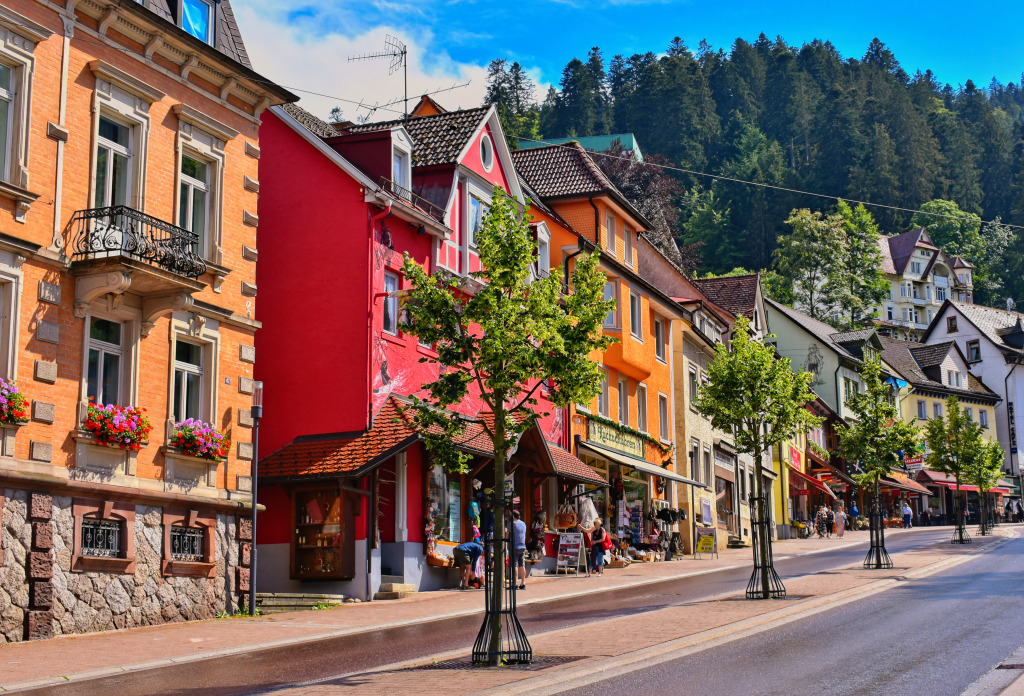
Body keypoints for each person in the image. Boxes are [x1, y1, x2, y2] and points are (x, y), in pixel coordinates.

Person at [511, 510, 528, 590]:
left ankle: (515, 583)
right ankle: (523, 582)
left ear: (513, 516)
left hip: (515, 546)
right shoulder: (523, 523)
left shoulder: (512, 524)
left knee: (514, 565)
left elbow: (507, 533)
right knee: (522, 565)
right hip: (522, 546)